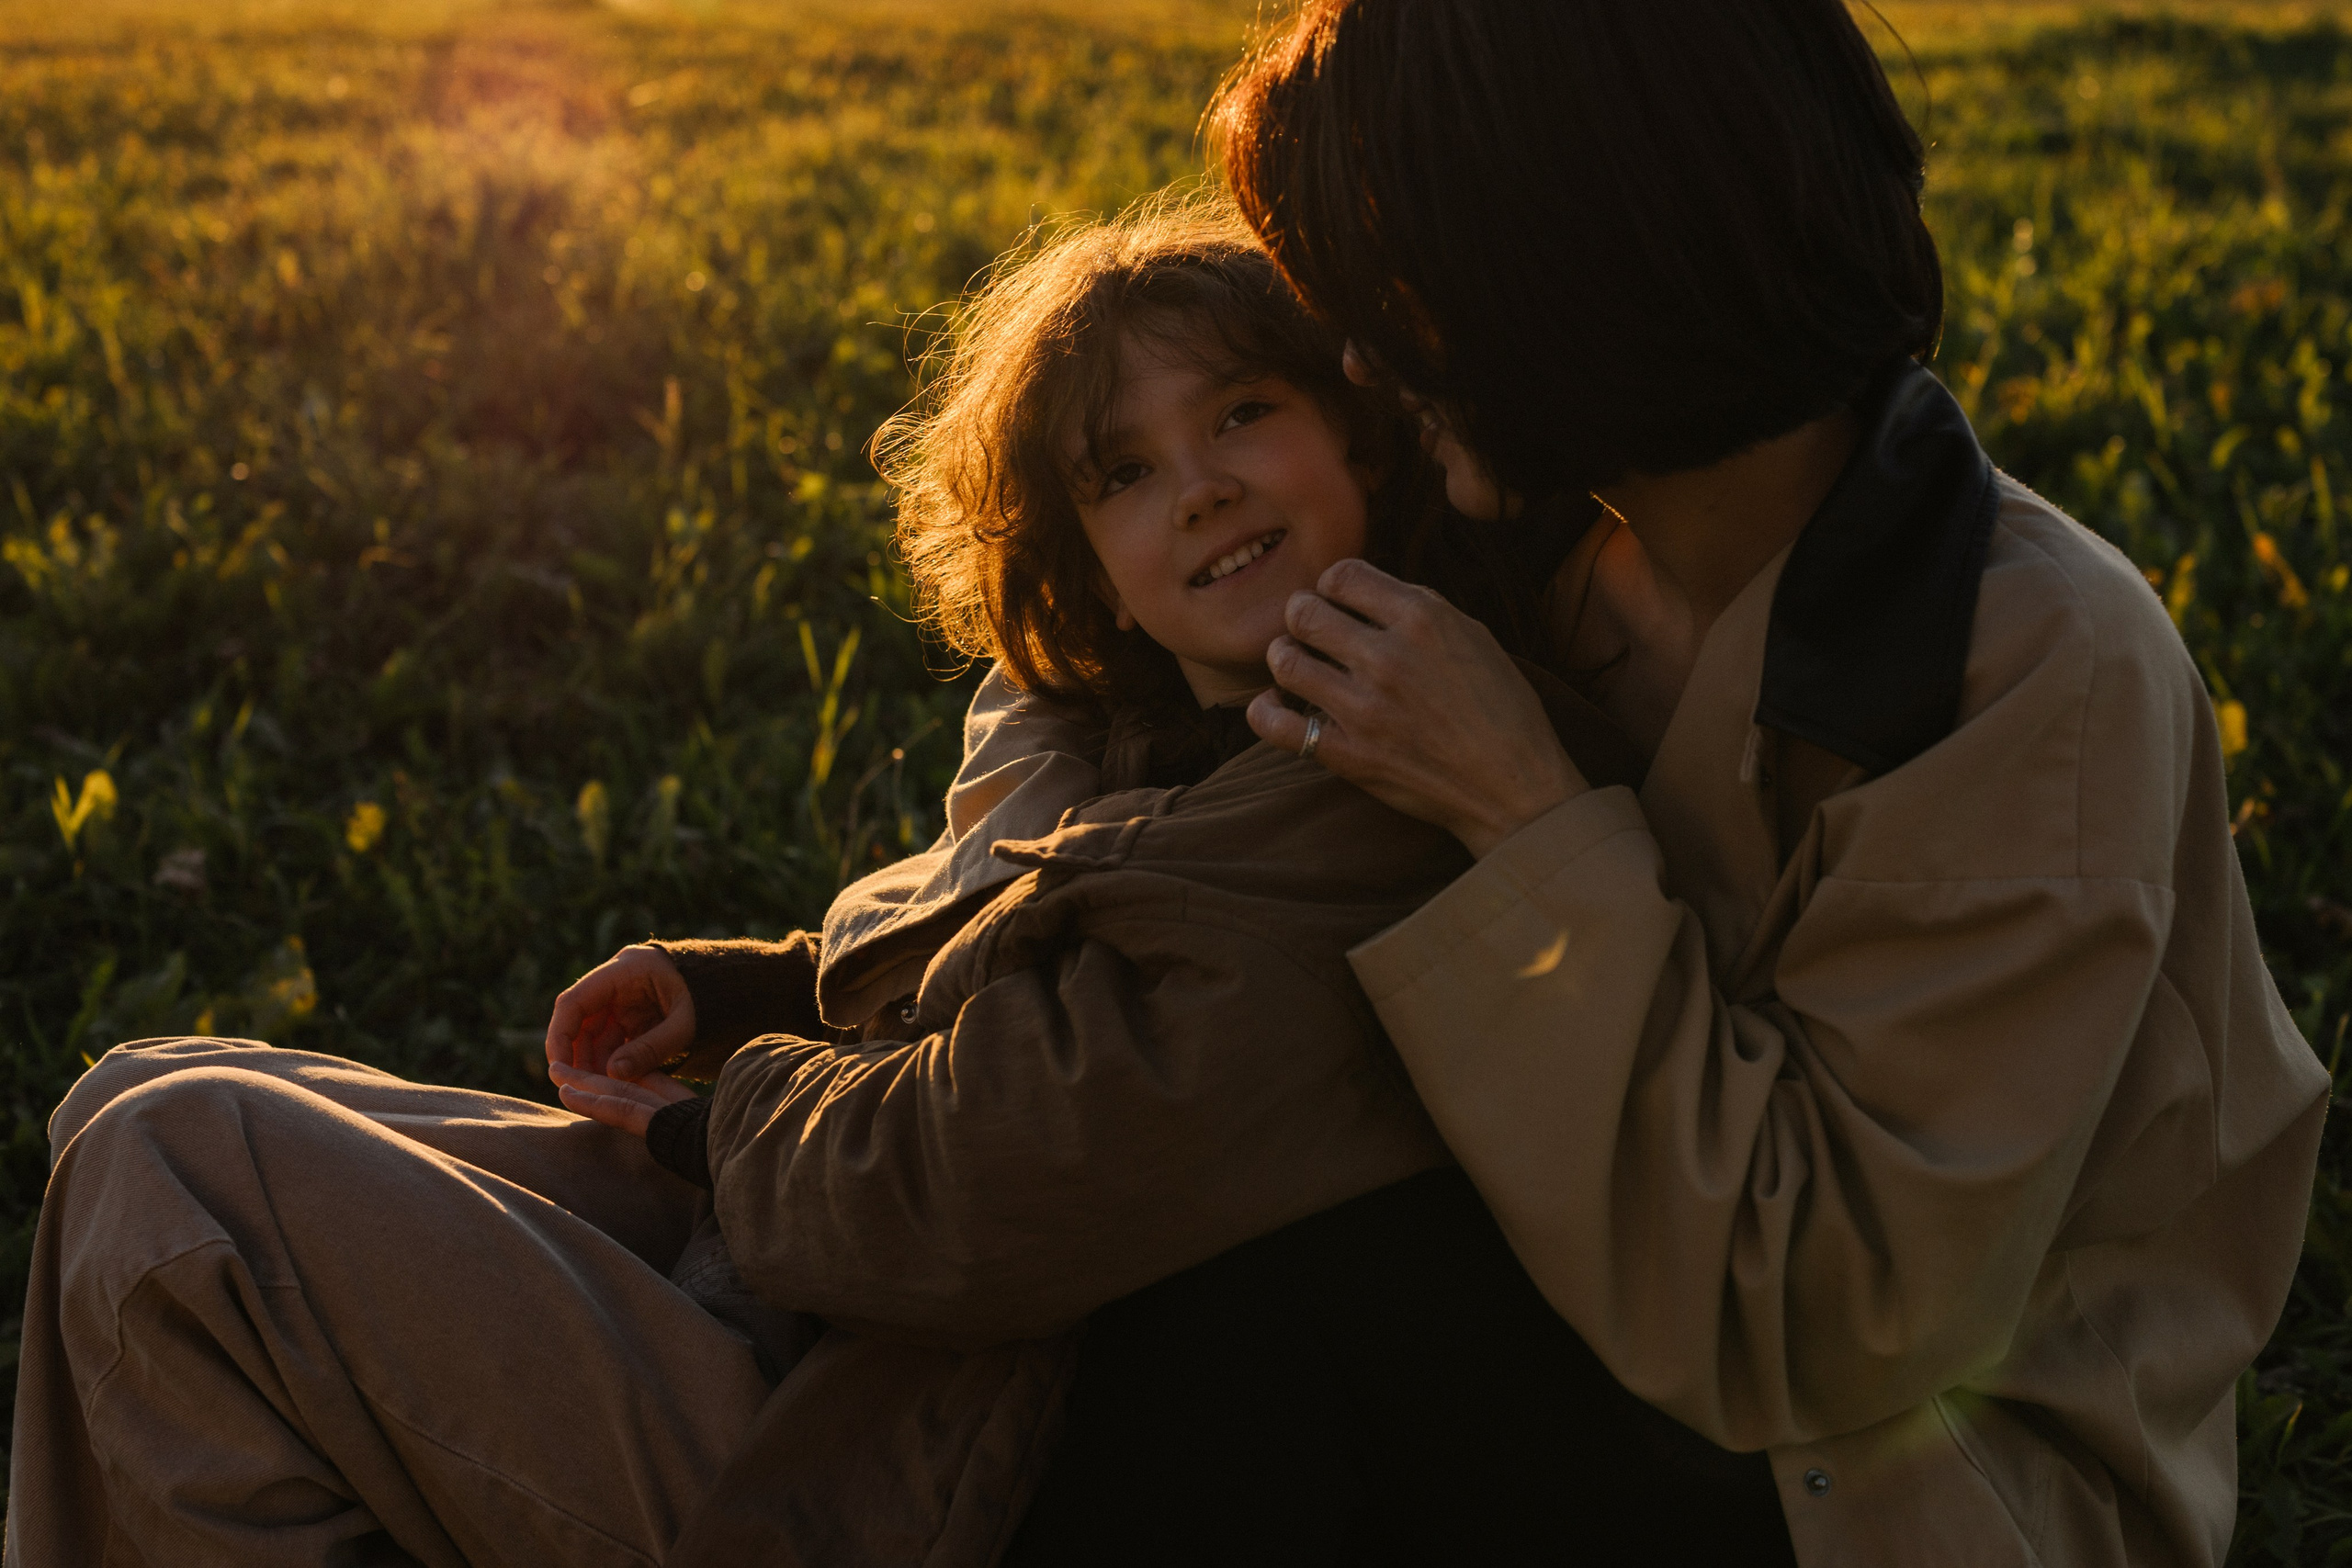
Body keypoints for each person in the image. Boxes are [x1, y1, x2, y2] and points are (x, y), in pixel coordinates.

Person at [4, 204, 1634, 1567]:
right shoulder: (1159, 737)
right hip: (853, 1327)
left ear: (1357, 426)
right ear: (1091, 560)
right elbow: (1059, 976)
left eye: (1238, 414)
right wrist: (753, 991)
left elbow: (980, 1186)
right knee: (140, 1101)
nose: (1196, 484)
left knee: (171, 1197)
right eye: (1121, 471)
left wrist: (701, 1126)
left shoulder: (1383, 765)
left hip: (907, 1461)